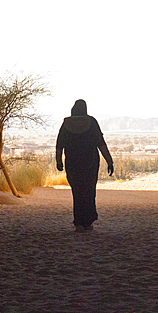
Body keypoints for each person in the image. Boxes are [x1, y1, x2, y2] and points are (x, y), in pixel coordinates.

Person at [55, 99, 114, 232]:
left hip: (72, 164)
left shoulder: (66, 124)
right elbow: (101, 144)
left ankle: (79, 223)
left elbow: (59, 145)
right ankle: (88, 222)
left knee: (77, 193)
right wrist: (109, 161)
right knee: (89, 192)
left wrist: (58, 161)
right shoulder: (91, 123)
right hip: (90, 164)